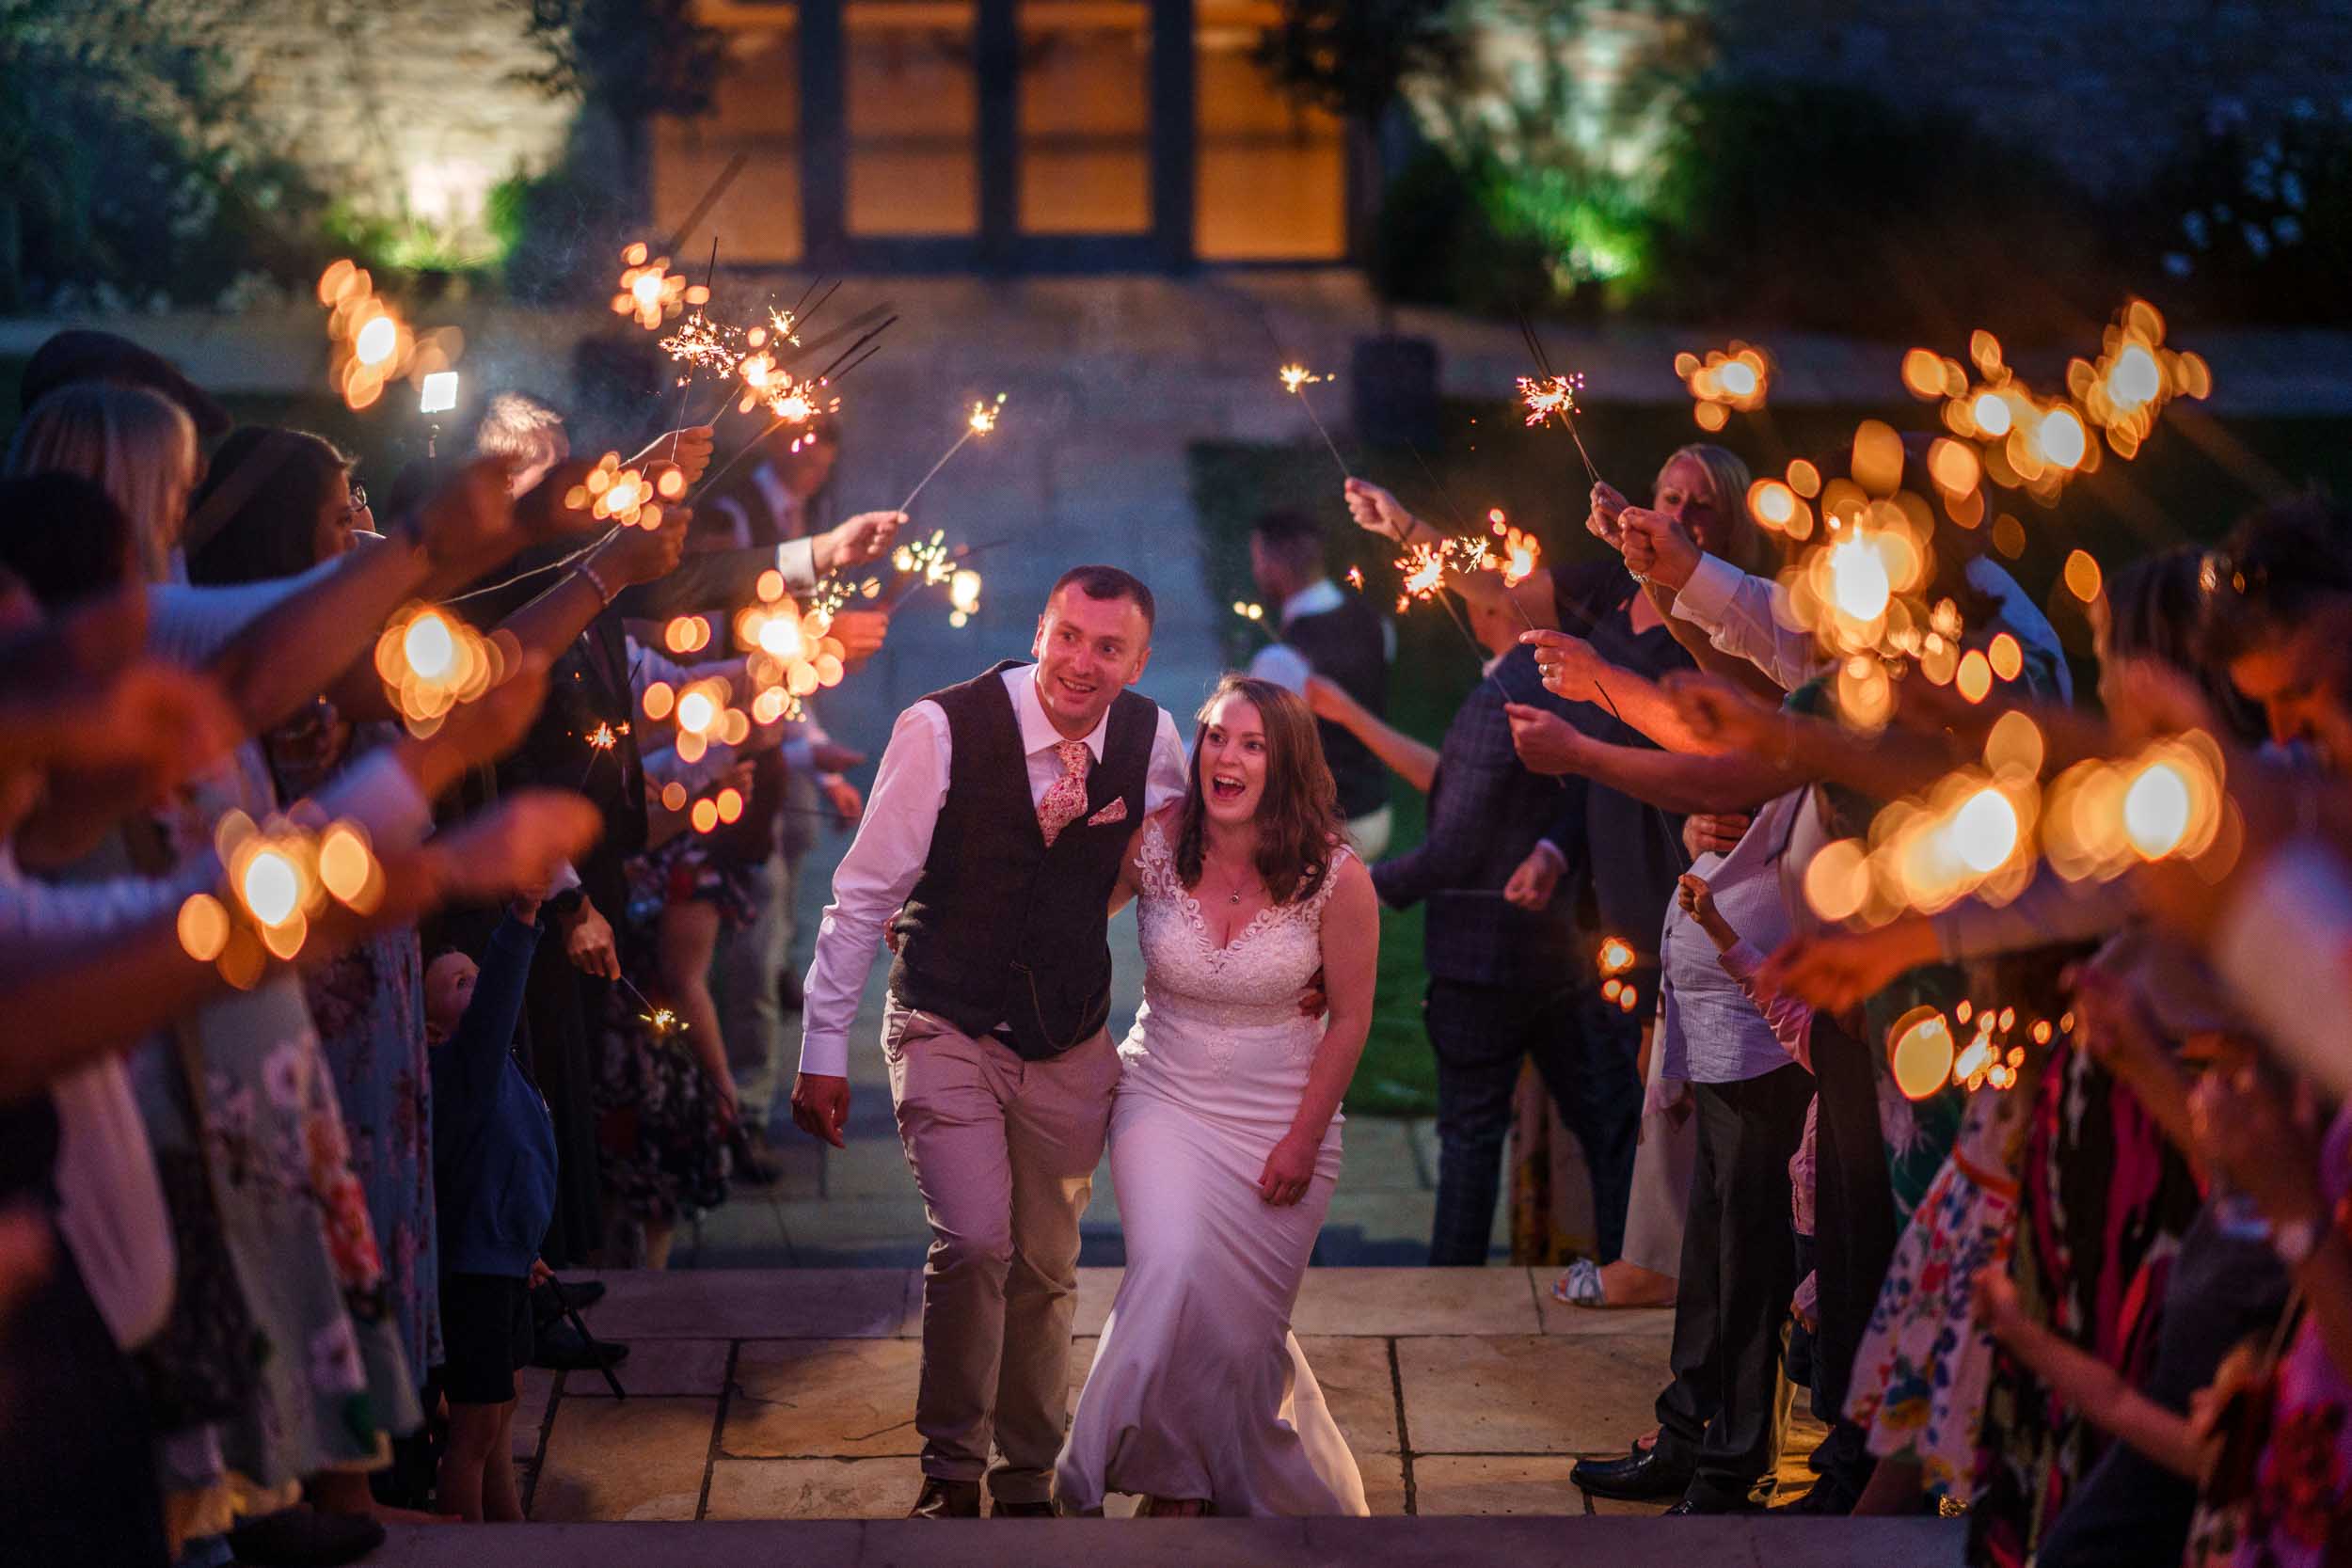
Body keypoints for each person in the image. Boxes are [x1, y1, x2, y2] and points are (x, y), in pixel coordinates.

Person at [788, 565, 1189, 1518]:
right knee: (974, 1242)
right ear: (1038, 629)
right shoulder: (941, 728)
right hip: (945, 1017)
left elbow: (1168, 859)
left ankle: (1025, 1476)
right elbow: (862, 897)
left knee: (1047, 1266)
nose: (1079, 663)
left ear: (1139, 659)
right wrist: (819, 1046)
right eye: (1065, 636)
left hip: (1068, 1037)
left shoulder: (1153, 738)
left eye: (1106, 647)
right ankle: (951, 1469)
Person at [1057, 675, 1379, 1517]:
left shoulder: (1338, 879)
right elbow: (1058, 917)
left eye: (1251, 744)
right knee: (1170, 1267)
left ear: (1288, 764)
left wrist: (1303, 1139)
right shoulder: (1154, 843)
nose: (1224, 758)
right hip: (1162, 1094)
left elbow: (1348, 1021)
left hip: (1284, 1112)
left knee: (1239, 1332)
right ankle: (1104, 1470)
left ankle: (1196, 1487)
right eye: (1215, 737)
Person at [425, 897, 549, 1522]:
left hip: (504, 1260)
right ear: (428, 1027)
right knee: (471, 1434)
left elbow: (514, 1165)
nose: (478, 985)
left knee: (503, 1419)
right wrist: (521, 919)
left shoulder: (497, 1067)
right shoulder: (458, 1068)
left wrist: (526, 1248)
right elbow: (501, 991)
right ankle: (465, 1547)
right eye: (459, 982)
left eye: (476, 972)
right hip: (475, 1273)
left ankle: (510, 1539)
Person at [1243, 509, 1394, 856]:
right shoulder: (1377, 623)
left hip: (1324, 828)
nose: (1256, 571)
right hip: (1378, 811)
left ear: (1272, 563)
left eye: (1257, 559)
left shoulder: (1281, 661)